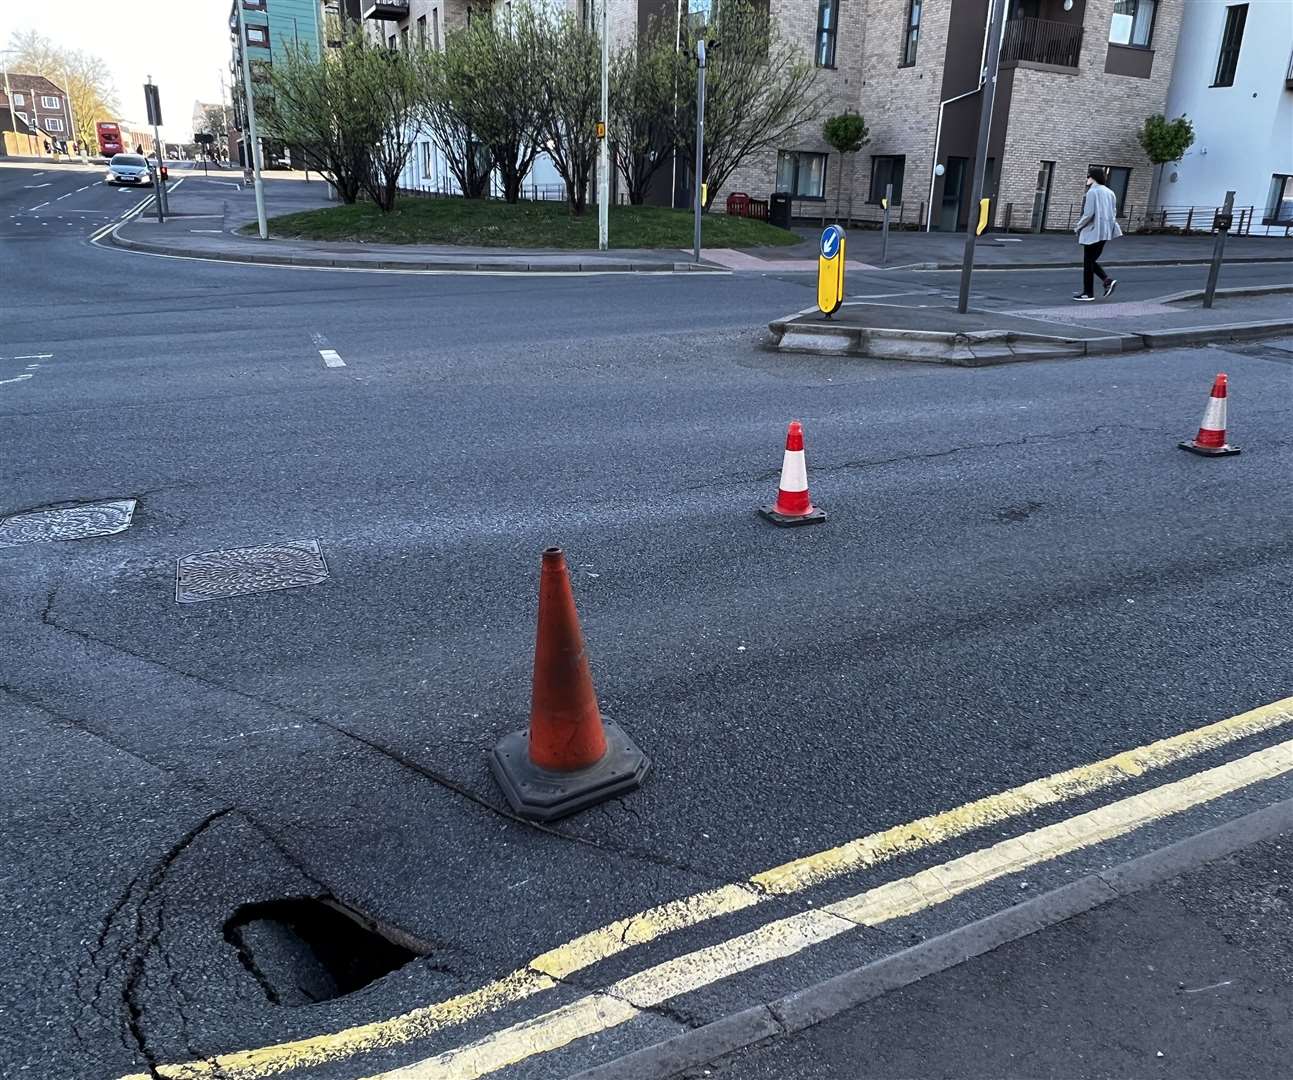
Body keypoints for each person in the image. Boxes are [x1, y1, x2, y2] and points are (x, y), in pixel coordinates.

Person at [1072, 167, 1121, 301]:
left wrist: (1078, 227)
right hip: (1105, 231)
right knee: (1090, 261)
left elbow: (1088, 214)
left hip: (1093, 231)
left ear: (1093, 177)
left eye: (1088, 177)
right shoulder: (1110, 192)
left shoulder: (1092, 192)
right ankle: (1106, 281)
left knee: (1088, 262)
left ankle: (1089, 293)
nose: (1087, 180)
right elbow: (1114, 212)